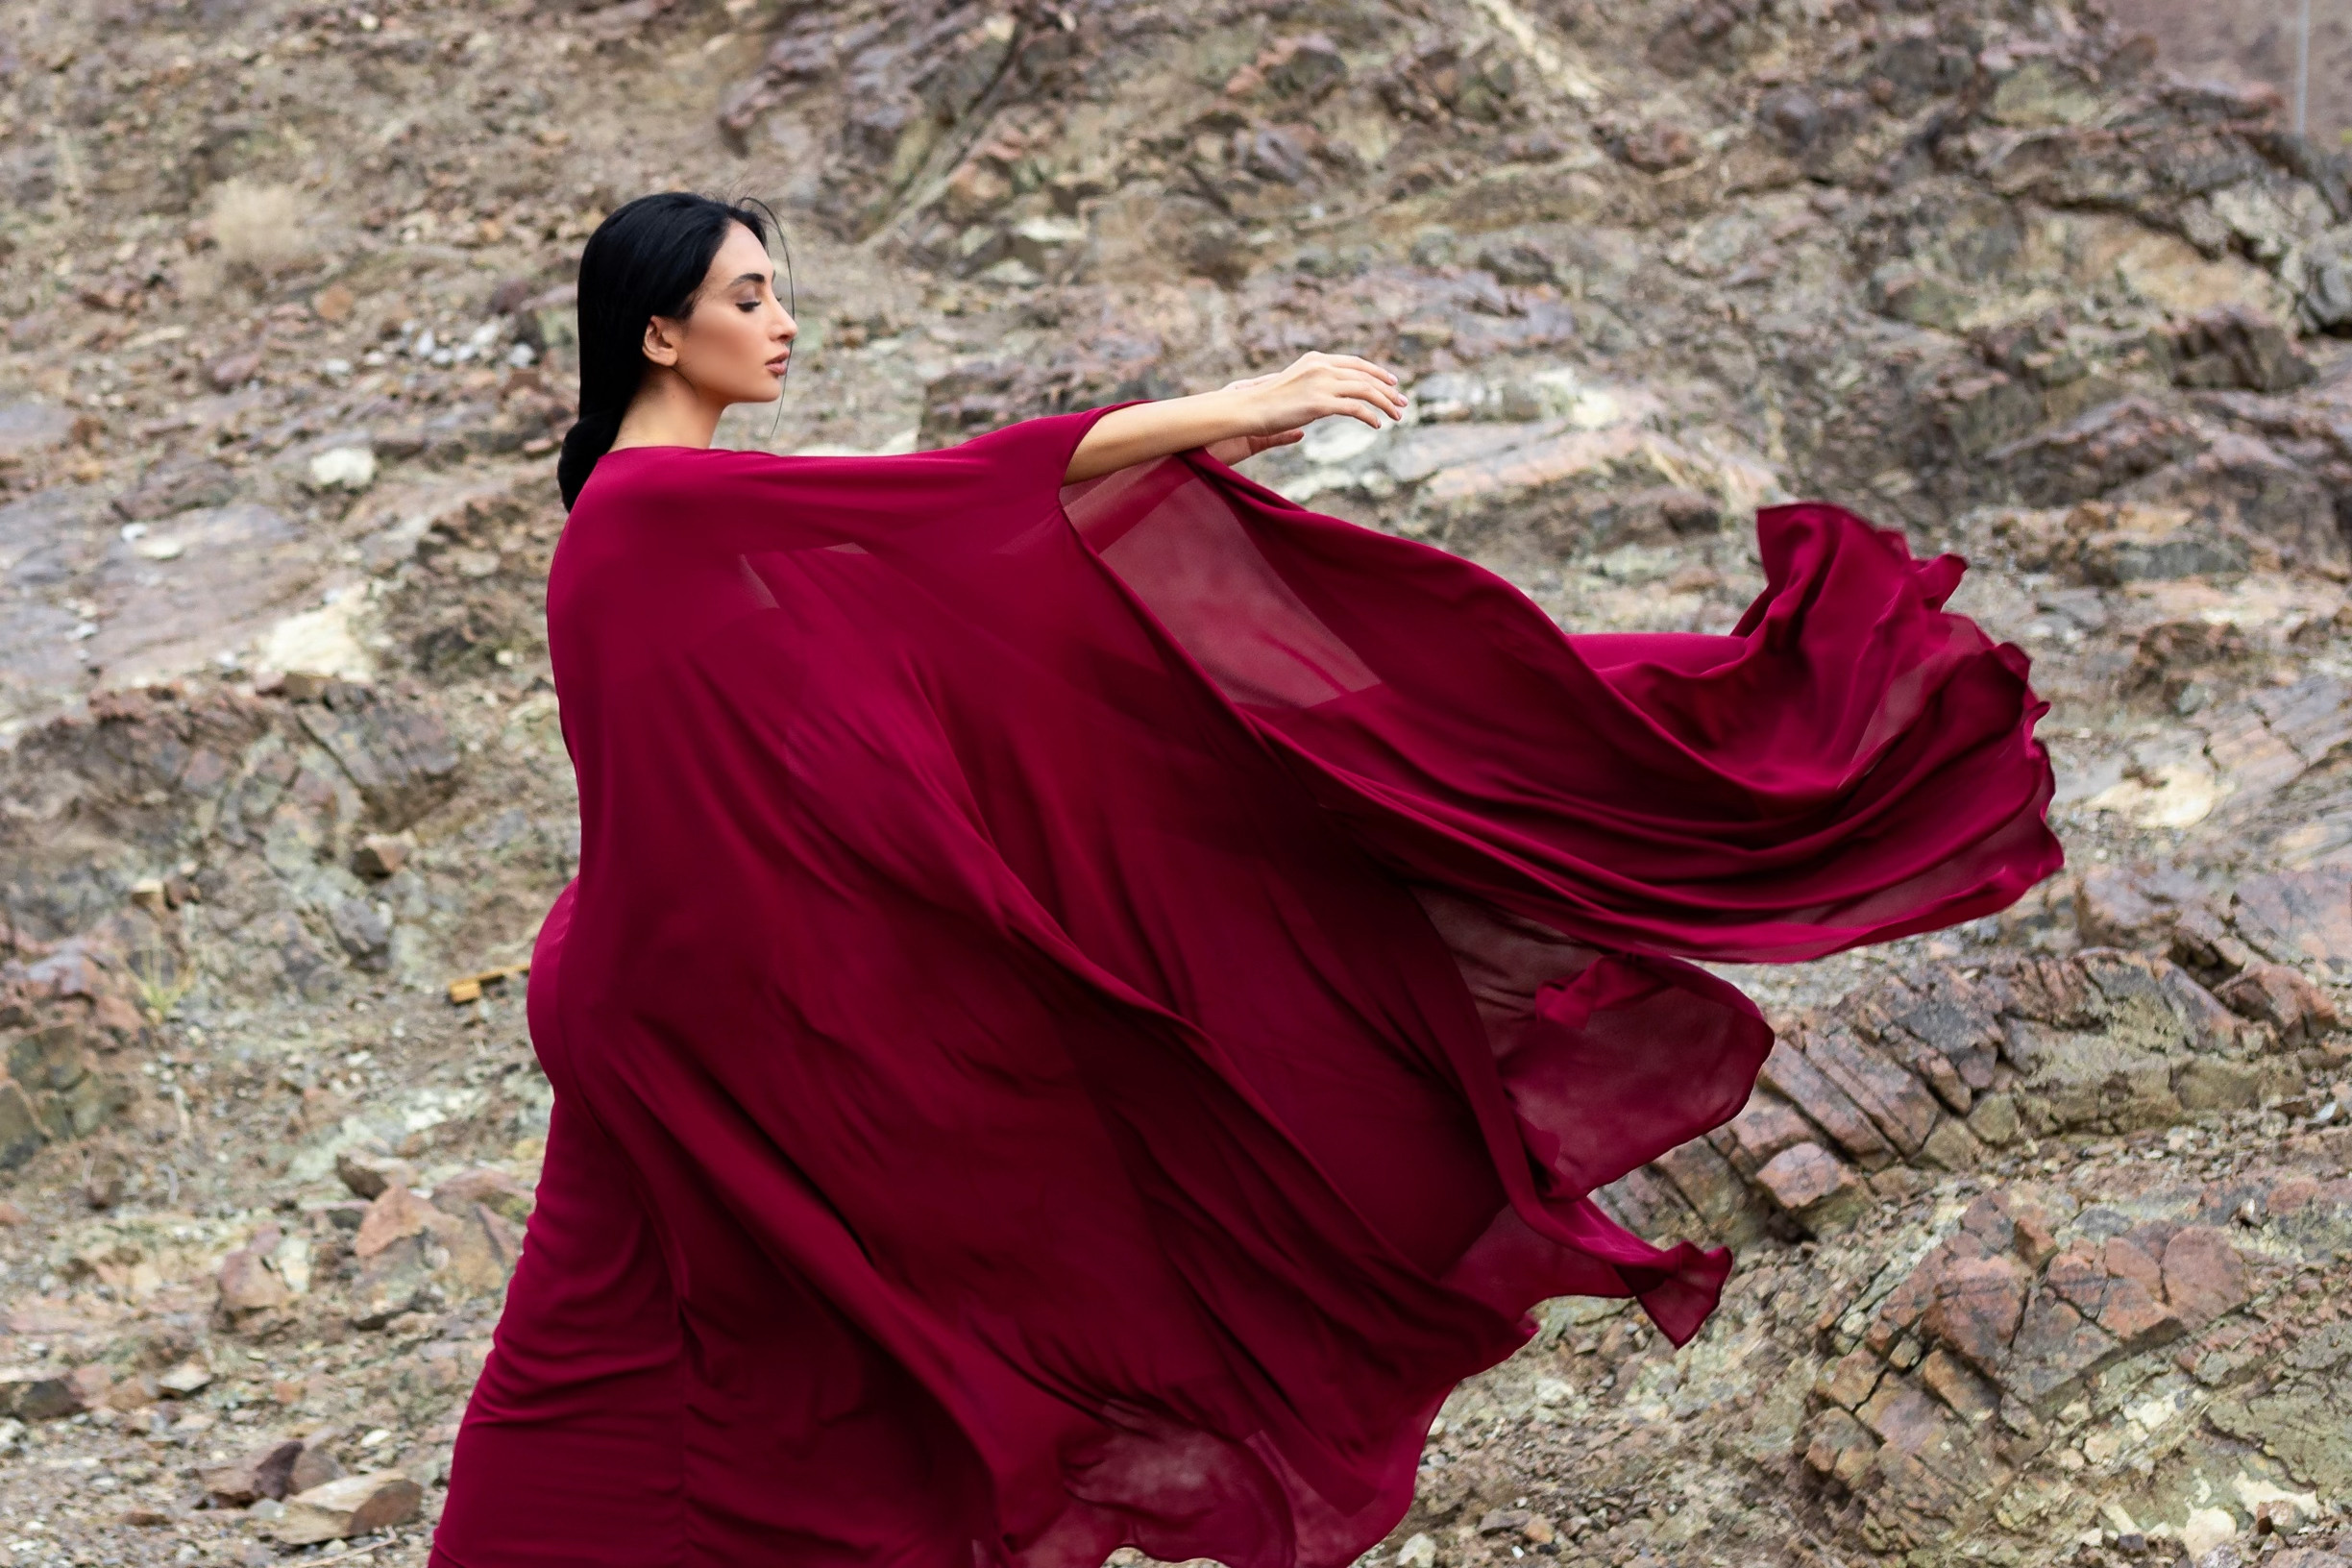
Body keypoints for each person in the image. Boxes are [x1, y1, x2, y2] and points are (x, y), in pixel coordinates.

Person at [430, 191, 2062, 1568]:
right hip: (691, 1006)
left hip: (650, 992)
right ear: (659, 332)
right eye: (749, 296)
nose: (783, 321)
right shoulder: (662, 504)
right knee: (828, 1288)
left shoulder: (660, 518)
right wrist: (1231, 406)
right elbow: (956, 502)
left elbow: (873, 698)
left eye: (781, 289)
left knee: (630, 1332)